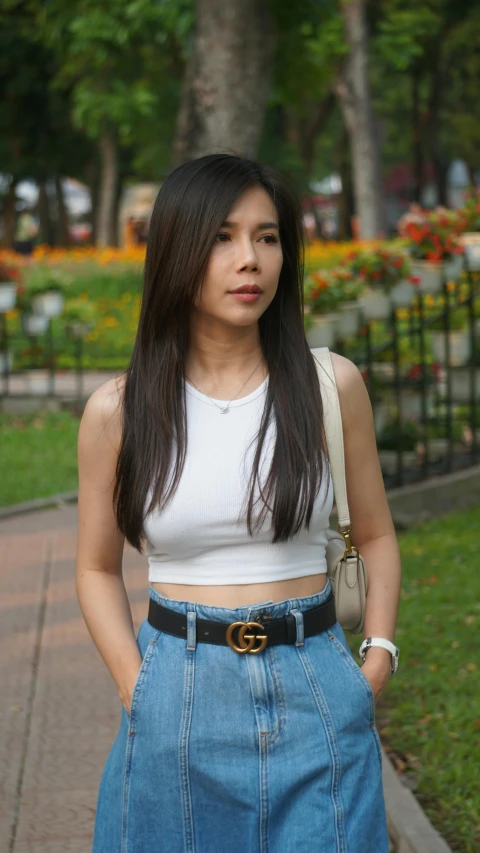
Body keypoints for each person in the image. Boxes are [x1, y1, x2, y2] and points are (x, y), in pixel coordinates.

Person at [76, 153, 401, 853]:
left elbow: (374, 534)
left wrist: (376, 658)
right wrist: (139, 691)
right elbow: (96, 567)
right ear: (177, 249)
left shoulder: (329, 386)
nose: (249, 259)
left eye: (268, 236)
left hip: (316, 681)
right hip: (179, 691)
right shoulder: (119, 410)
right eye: (223, 237)